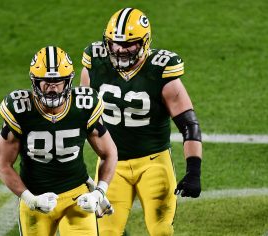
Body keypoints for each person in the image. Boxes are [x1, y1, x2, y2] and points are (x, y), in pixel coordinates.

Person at [80, 8, 202, 236]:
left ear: (144, 42)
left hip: (153, 162)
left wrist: (194, 170)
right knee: (104, 232)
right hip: (112, 164)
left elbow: (189, 125)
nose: (119, 49)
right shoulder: (95, 63)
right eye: (114, 43)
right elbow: (80, 115)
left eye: (129, 44)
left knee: (161, 230)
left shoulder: (160, 69)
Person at [0, 46, 118, 236]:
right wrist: (30, 199)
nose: (52, 87)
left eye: (58, 81)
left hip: (77, 197)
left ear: (68, 81)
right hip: (36, 197)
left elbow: (109, 153)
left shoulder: (84, 105)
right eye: (46, 81)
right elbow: (2, 164)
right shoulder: (20, 109)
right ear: (34, 81)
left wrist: (98, 192)